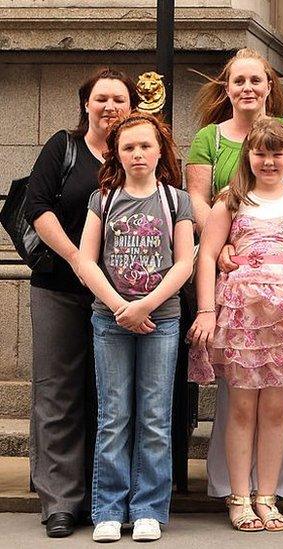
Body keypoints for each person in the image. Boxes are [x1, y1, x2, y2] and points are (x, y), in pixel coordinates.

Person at [185, 47, 283, 502]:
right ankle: (235, 491)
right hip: (236, 283)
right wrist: (224, 245)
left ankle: (273, 489)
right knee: (238, 403)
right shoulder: (211, 142)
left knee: (282, 404)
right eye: (238, 80)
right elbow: (199, 205)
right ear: (227, 87)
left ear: (269, 86)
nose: (247, 88)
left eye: (255, 80)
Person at [23, 67, 139, 539]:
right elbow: (37, 207)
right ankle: (60, 502)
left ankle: (103, 497)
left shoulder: (139, 150)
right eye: (100, 99)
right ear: (85, 105)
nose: (109, 107)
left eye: (119, 100)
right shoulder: (63, 147)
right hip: (61, 289)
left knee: (109, 398)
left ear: (133, 107)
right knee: (59, 393)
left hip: (122, 298)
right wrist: (75, 258)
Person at [74, 112, 194, 542]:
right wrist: (120, 306)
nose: (137, 153)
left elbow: (184, 262)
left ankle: (147, 508)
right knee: (114, 415)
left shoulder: (176, 200)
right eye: (128, 147)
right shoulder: (102, 199)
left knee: (155, 417)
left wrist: (144, 306)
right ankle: (108, 507)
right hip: (110, 320)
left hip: (161, 320)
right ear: (117, 154)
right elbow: (86, 259)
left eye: (145, 146)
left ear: (160, 149)